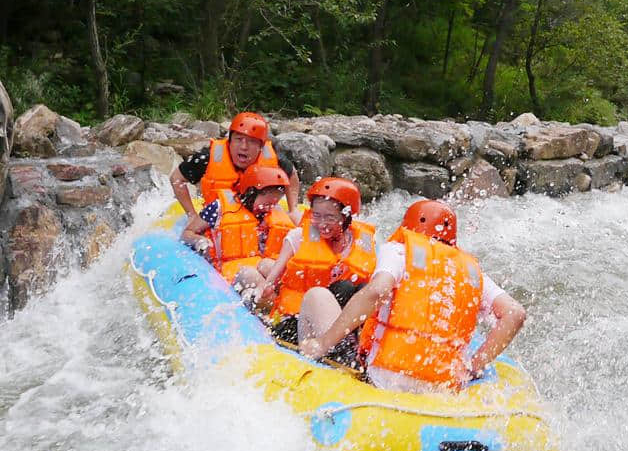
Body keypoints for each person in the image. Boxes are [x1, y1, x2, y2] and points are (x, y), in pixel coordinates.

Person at [300, 199, 526, 391]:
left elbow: (377, 291)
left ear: (407, 227)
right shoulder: (472, 272)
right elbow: (515, 314)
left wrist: (323, 343)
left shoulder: (400, 251)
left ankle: (305, 372)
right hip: (440, 388)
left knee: (317, 296)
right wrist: (473, 367)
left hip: (384, 379)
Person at [254, 177, 377, 362]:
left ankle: (356, 351)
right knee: (320, 294)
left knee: (352, 288)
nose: (322, 223)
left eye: (330, 217)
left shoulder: (363, 242)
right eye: (316, 215)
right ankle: (343, 355)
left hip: (336, 325)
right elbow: (272, 276)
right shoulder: (297, 237)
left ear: (346, 217)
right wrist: (266, 290)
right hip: (296, 323)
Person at [169, 111, 302, 224]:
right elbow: (176, 179)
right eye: (238, 139)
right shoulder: (208, 158)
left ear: (261, 146)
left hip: (259, 220)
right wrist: (192, 215)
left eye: (251, 141)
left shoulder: (273, 161)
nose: (244, 146)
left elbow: (292, 175)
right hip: (218, 220)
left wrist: (293, 209)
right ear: (230, 141)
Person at [181, 164, 295, 284]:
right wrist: (199, 240)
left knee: (269, 265)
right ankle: (266, 296)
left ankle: (277, 296)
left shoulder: (274, 214)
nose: (270, 207)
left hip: (259, 266)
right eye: (267, 203)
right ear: (251, 193)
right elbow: (187, 233)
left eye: (275, 203)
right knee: (249, 274)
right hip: (230, 274)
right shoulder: (218, 209)